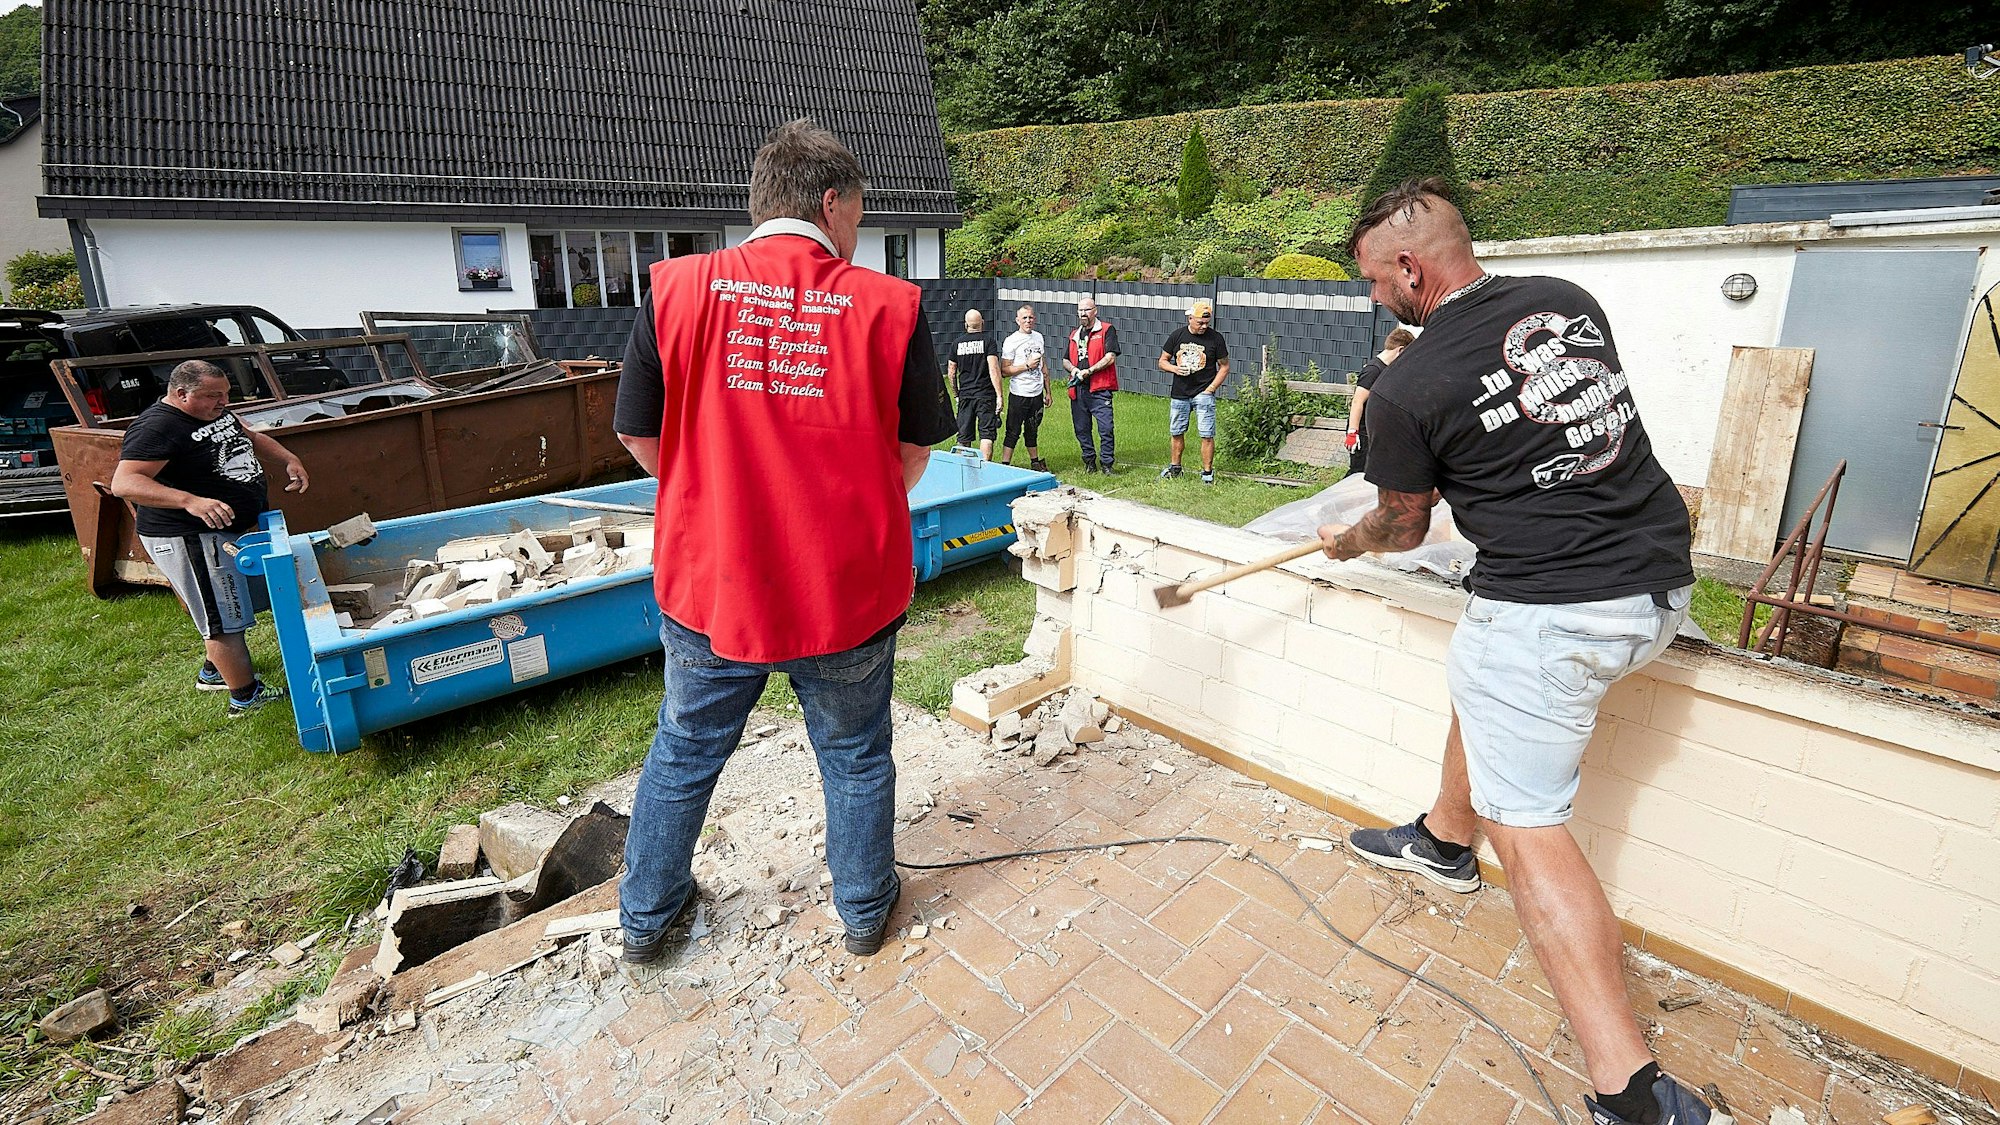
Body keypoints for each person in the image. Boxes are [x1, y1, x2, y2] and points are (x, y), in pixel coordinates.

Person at [1319, 179, 1713, 1125]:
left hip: (1557, 615)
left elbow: (1406, 526)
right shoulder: (1569, 304)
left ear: (1409, 268)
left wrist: (1351, 538)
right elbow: (1536, 437)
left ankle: (1631, 1087)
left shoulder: (1403, 389)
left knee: (1529, 827)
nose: (1375, 297)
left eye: (1376, 280)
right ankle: (1443, 841)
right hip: (1657, 583)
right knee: (1482, 670)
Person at [611, 119, 956, 968]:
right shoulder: (887, 304)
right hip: (844, 587)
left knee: (685, 751)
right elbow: (913, 454)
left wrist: (713, 496)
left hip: (713, 583)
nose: (859, 234)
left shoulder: (677, 288)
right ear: (832, 204)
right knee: (855, 753)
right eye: (860, 216)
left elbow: (639, 437)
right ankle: (865, 909)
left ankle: (647, 919)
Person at [110, 359, 306, 717]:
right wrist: (190, 501)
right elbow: (125, 482)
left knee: (224, 605)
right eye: (213, 396)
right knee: (222, 617)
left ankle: (214, 671)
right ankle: (245, 698)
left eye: (226, 394)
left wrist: (288, 458)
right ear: (181, 394)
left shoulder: (213, 412)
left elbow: (249, 436)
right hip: (189, 535)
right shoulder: (158, 427)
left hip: (224, 529)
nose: (223, 403)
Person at [1156, 298, 1230, 484]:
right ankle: (1175, 468)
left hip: (1203, 393)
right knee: (1177, 431)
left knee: (1206, 434)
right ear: (1190, 318)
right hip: (1180, 393)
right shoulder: (1177, 336)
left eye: (1206, 322)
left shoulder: (1216, 338)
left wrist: (1211, 389)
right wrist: (1174, 369)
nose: (1204, 326)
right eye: (1200, 322)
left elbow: (1224, 366)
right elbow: (1162, 361)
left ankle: (1207, 473)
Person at [1345, 326, 1416, 478]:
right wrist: (1352, 432)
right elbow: (1358, 401)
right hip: (1362, 433)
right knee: (1357, 475)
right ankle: (1336, 498)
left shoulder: (1386, 369)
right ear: (1400, 350)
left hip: (1375, 431)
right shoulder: (1373, 370)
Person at [1064, 297, 1119, 473]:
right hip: (1078, 390)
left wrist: (1090, 370)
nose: (1083, 314)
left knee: (1106, 428)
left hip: (1100, 388)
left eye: (1087, 310)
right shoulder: (1074, 335)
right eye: (1080, 310)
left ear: (1095, 311)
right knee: (1081, 428)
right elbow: (1065, 360)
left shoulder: (1106, 330)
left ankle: (1107, 464)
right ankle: (1089, 461)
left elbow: (1110, 357)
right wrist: (1074, 370)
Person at [999, 304, 1051, 471]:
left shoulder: (1038, 337)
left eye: (1030, 317)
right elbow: (1005, 370)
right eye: (1024, 318)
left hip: (1036, 393)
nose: (1028, 321)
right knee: (1012, 431)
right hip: (1019, 393)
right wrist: (1026, 366)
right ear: (1017, 321)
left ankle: (1035, 462)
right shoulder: (1011, 341)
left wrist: (1048, 391)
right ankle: (1005, 465)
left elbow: (1043, 366)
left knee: (1032, 429)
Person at [947, 309, 1004, 460]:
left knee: (964, 436)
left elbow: (951, 372)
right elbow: (993, 368)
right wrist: (999, 395)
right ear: (982, 323)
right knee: (986, 434)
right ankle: (984, 468)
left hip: (966, 395)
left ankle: (963, 470)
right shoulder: (989, 342)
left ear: (966, 325)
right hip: (985, 395)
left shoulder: (956, 344)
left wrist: (956, 394)